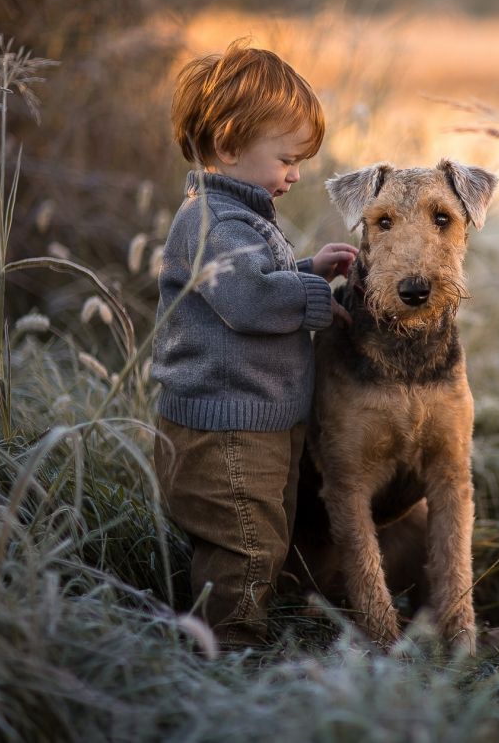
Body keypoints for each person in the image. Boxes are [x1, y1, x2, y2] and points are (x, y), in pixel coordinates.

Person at [151, 39, 356, 649]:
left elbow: (254, 285)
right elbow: (245, 301)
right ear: (230, 145)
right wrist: (318, 301)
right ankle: (229, 653)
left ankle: (247, 625)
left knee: (266, 533)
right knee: (245, 541)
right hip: (225, 429)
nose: (296, 174)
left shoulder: (240, 214)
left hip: (255, 420)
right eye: (288, 158)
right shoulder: (210, 220)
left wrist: (306, 268)